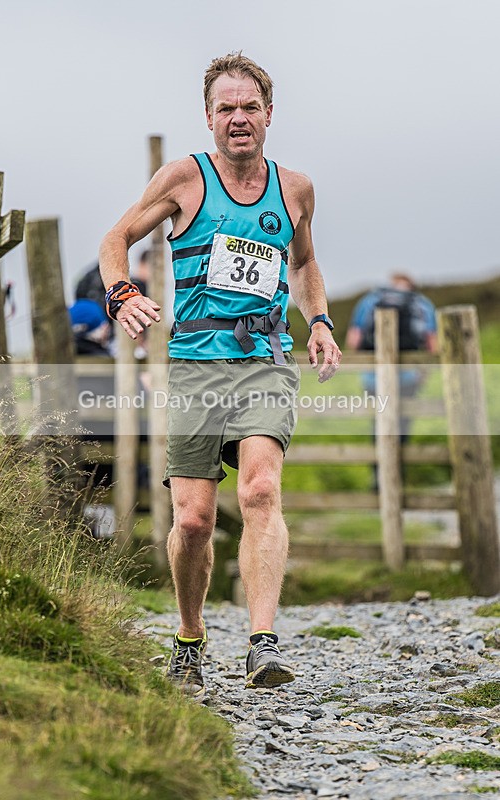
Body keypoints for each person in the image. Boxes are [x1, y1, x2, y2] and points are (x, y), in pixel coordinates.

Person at [99, 52, 341, 702]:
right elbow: (114, 238)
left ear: (268, 114)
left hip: (263, 358)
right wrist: (121, 293)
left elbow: (305, 260)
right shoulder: (184, 178)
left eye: (249, 107)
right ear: (209, 117)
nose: (239, 118)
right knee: (196, 518)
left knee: (260, 490)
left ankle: (262, 641)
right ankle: (188, 634)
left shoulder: (295, 188)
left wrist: (317, 320)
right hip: (195, 367)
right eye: (226, 108)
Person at [346, 272, 437, 443]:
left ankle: (379, 467)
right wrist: (425, 373)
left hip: (374, 377)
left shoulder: (369, 301)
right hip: (409, 377)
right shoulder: (422, 303)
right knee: (403, 422)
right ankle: (400, 465)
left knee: (378, 422)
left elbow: (353, 341)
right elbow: (432, 345)